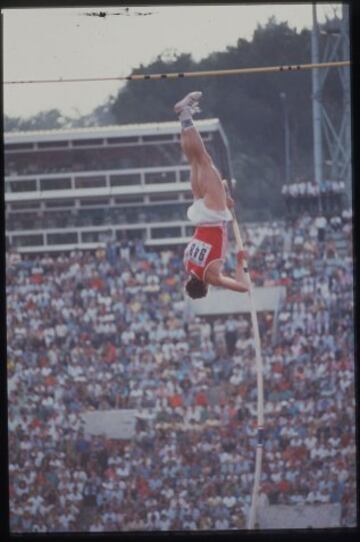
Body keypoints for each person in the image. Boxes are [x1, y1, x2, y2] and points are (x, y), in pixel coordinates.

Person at [174, 91, 250, 299]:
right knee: (194, 160)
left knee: (204, 159)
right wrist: (223, 202)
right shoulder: (187, 262)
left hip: (213, 216)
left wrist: (241, 260)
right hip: (200, 211)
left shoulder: (213, 277)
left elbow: (244, 287)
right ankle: (184, 117)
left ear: (206, 287)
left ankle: (185, 113)